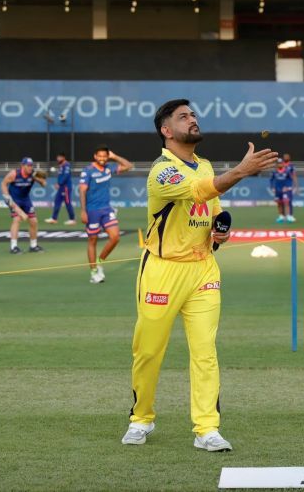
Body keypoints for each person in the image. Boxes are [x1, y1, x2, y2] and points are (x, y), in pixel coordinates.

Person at [122, 98, 277, 452]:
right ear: (166, 130)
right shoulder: (162, 170)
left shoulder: (205, 164)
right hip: (162, 269)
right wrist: (240, 171)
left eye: (193, 115)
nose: (193, 120)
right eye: (183, 117)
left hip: (203, 268)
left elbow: (212, 205)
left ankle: (207, 428)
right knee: (148, 351)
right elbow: (197, 191)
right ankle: (141, 418)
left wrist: (219, 230)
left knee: (205, 352)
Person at [79, 145, 133, 284]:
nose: (102, 158)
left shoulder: (109, 168)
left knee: (115, 237)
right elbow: (82, 191)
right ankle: (93, 272)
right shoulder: (88, 171)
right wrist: (83, 211)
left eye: (105, 156)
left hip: (106, 209)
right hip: (92, 211)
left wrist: (114, 157)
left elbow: (129, 166)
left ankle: (99, 262)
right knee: (93, 241)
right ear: (95, 156)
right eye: (100, 156)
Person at [0, 157, 47, 253]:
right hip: (14, 200)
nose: (30, 167)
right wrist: (7, 198)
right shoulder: (14, 174)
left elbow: (44, 184)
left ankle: (33, 246)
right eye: (28, 165)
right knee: (17, 219)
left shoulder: (33, 174)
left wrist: (39, 179)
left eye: (31, 165)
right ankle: (14, 247)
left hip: (26, 200)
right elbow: (3, 184)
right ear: (22, 166)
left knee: (33, 221)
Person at [44, 152, 76, 225]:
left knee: (68, 202)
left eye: (59, 157)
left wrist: (59, 183)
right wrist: (58, 183)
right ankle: (54, 218)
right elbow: (61, 176)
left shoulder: (66, 165)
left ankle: (72, 219)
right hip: (62, 187)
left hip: (66, 187)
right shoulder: (61, 166)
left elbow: (66, 176)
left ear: (63, 157)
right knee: (57, 201)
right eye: (57, 157)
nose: (58, 159)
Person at [269, 158, 293, 223]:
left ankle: (288, 216)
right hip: (277, 190)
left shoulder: (287, 171)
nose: (280, 164)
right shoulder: (274, 171)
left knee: (286, 202)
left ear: (283, 164)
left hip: (284, 190)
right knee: (279, 203)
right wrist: (272, 187)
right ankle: (281, 216)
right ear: (276, 164)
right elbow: (271, 180)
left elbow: (290, 180)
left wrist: (288, 187)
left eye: (281, 163)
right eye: (278, 163)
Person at [282, 153, 298, 222]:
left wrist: (296, 185)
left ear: (289, 158)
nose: (286, 158)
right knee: (282, 202)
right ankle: (283, 216)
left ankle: (290, 215)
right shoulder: (281, 165)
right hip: (281, 186)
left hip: (288, 186)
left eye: (287, 157)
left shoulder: (291, 166)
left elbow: (294, 175)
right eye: (285, 157)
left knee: (289, 201)